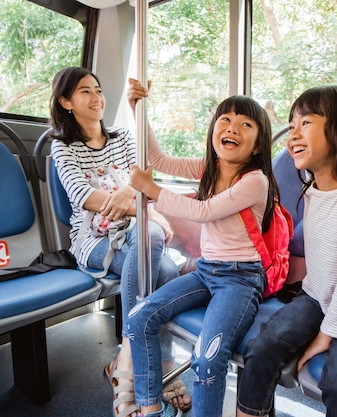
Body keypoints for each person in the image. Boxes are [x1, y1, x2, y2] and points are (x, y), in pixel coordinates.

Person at [236, 85, 337, 417]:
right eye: (291, 125)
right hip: (315, 295)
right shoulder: (311, 186)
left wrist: (325, 336)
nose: (293, 134)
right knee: (261, 349)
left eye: (306, 123)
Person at [125, 78, 280, 417]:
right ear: (214, 130)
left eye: (245, 124)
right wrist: (140, 110)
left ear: (257, 145)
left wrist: (151, 190)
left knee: (207, 359)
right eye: (225, 119)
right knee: (138, 319)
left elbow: (203, 211)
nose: (232, 127)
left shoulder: (255, 181)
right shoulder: (208, 169)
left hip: (240, 279)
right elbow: (158, 158)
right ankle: (150, 409)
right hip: (206, 270)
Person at [48, 67, 189, 417]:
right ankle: (137, 355)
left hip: (134, 231)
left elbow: (143, 180)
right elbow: (84, 196)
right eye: (85, 91)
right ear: (66, 102)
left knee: (167, 269)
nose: (96, 97)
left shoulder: (124, 138)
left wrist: (134, 199)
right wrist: (134, 202)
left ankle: (131, 361)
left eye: (98, 89)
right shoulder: (62, 147)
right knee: (157, 247)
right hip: (92, 239)